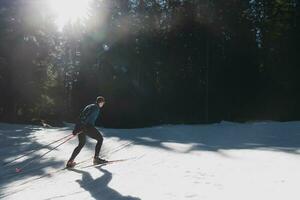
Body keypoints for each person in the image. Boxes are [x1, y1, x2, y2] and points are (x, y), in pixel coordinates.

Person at [66, 96, 106, 168]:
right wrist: (83, 126)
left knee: (81, 144)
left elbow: (81, 116)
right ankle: (96, 159)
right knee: (100, 139)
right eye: (103, 103)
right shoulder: (95, 108)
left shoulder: (90, 106)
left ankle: (70, 162)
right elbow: (85, 116)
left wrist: (77, 128)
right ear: (100, 102)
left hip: (80, 126)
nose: (103, 104)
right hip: (87, 126)